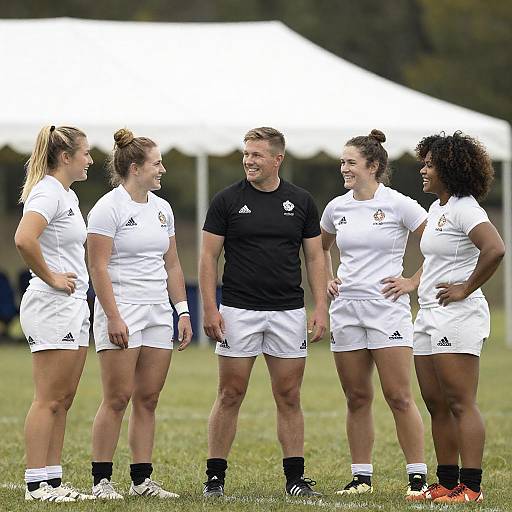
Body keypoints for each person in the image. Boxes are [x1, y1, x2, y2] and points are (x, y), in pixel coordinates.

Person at [200, 127, 327, 497]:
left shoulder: (301, 201)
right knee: (230, 393)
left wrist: (320, 307)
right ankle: (215, 479)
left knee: (289, 396)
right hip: (238, 310)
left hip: (288, 312)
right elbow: (208, 256)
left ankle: (295, 480)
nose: (248, 160)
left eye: (256, 155)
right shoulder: (226, 200)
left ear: (277, 159)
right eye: (246, 154)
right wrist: (210, 308)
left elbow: (315, 256)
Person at [321, 129, 429, 500]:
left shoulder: (400, 204)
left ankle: (417, 477)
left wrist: (412, 281)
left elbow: (440, 245)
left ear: (374, 165)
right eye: (342, 162)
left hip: (388, 310)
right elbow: (318, 248)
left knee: (399, 395)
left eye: (350, 162)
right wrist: (327, 278)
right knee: (356, 397)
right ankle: (361, 477)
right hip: (347, 310)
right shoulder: (337, 207)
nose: (344, 168)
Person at [87, 128, 192, 500]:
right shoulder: (108, 208)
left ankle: (141, 481)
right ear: (135, 168)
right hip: (122, 310)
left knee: (148, 398)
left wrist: (181, 311)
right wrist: (114, 317)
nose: (162, 169)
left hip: (158, 313)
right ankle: (101, 481)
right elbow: (97, 268)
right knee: (117, 398)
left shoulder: (163, 209)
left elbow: (173, 264)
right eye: (157, 163)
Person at [412, 132, 504, 503]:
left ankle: (472, 487)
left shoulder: (466, 208)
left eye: (430, 164)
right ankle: (447, 483)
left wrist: (465, 287)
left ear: (448, 169)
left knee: (460, 401)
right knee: (435, 402)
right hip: (429, 314)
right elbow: (436, 260)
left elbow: (495, 248)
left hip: (458, 315)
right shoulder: (438, 210)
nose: (423, 169)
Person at [14, 125, 95, 501]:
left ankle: (52, 480)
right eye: (85, 154)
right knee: (47, 398)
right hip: (51, 304)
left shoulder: (67, 194)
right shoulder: (47, 192)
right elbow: (23, 238)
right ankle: (35, 485)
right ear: (66, 158)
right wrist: (51, 277)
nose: (90, 160)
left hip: (72, 306)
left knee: (64, 398)